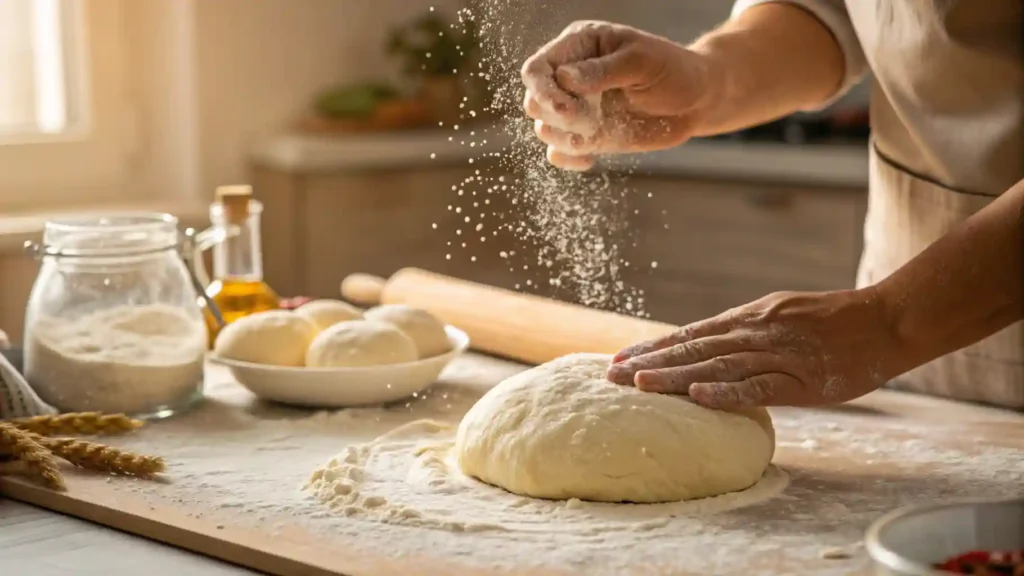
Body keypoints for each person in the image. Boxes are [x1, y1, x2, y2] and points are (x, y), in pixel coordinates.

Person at [520, 2, 1023, 410]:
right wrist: (710, 77)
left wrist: (891, 320)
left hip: (900, 325)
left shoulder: (878, 328)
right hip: (904, 367)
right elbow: (843, 13)